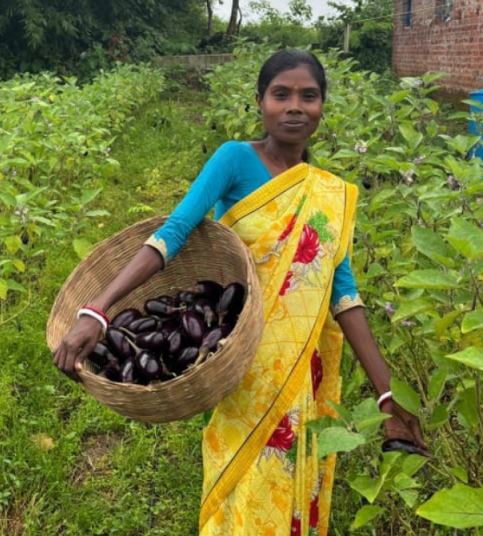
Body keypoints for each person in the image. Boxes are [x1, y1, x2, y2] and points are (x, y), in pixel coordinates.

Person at [52, 49, 429, 536]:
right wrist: (97, 312)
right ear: (260, 103)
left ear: (322, 106)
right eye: (281, 94)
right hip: (241, 362)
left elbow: (344, 296)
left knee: (291, 481)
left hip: (300, 373)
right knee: (245, 482)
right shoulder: (234, 159)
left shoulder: (329, 194)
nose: (295, 106)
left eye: (309, 96)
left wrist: (387, 395)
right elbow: (175, 231)